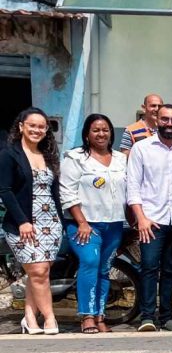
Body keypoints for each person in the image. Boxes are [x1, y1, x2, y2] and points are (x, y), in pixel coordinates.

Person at [60, 114, 127, 334]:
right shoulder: (75, 158)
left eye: (105, 130)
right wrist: (81, 222)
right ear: (87, 134)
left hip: (114, 224)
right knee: (90, 262)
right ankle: (86, 316)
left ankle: (100, 316)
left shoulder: (120, 158)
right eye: (96, 130)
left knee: (105, 269)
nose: (101, 134)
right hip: (85, 225)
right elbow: (67, 192)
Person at [127, 104, 172, 332]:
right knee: (149, 268)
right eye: (166, 119)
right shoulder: (142, 148)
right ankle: (147, 316)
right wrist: (140, 218)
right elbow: (132, 185)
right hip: (151, 220)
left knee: (171, 270)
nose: (170, 124)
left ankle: (167, 316)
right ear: (156, 120)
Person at [1, 108, 63, 335]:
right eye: (32, 126)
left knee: (39, 273)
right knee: (38, 270)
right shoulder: (9, 154)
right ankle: (50, 319)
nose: (37, 130)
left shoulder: (47, 155)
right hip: (24, 222)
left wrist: (61, 222)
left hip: (51, 222)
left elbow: (54, 191)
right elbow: (5, 190)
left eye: (42, 126)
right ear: (21, 127)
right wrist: (23, 221)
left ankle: (29, 318)